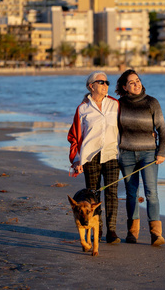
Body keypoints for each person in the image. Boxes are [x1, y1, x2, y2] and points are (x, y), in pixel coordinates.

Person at [67, 71, 121, 244]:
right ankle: (97, 230)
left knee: (112, 193)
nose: (106, 85)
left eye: (107, 82)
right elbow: (74, 136)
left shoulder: (115, 104)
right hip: (90, 157)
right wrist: (76, 160)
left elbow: (126, 126)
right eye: (101, 82)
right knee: (92, 196)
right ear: (91, 86)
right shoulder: (82, 108)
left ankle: (111, 231)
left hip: (112, 154)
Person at [115, 69, 165, 246]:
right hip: (126, 153)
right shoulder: (119, 104)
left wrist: (162, 152)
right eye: (131, 82)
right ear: (124, 87)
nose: (136, 84)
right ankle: (132, 232)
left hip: (149, 154)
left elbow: (162, 129)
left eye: (137, 81)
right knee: (131, 193)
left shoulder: (152, 102)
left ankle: (156, 234)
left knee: (151, 193)